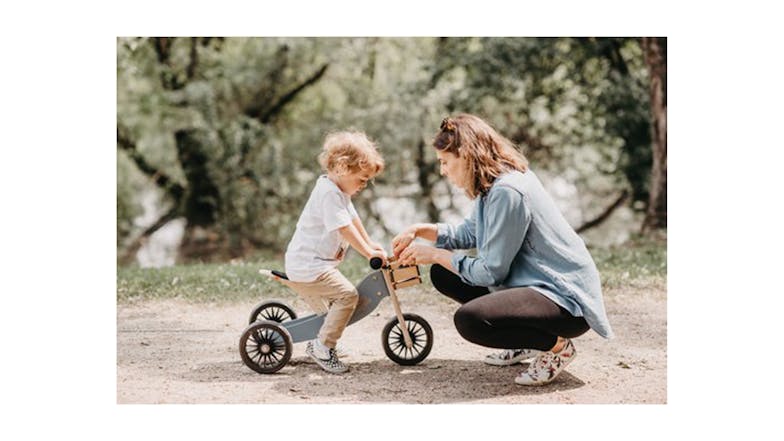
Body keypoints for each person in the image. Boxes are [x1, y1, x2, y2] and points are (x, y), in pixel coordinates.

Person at [392, 114, 613, 385]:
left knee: (471, 321)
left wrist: (436, 253)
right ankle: (525, 339)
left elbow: (490, 272)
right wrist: (420, 229)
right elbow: (470, 233)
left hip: (564, 300)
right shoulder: (492, 184)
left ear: (466, 155)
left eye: (445, 162)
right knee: (443, 273)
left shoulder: (508, 191)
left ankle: (556, 347)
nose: (443, 171)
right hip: (532, 284)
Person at [283, 130, 387, 374]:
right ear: (342, 167)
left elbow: (353, 220)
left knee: (336, 303)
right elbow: (343, 228)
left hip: (314, 264)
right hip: (308, 266)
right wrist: (367, 254)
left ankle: (321, 339)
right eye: (361, 179)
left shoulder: (338, 191)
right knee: (348, 296)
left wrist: (371, 245)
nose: (363, 185)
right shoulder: (329, 194)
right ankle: (322, 346)